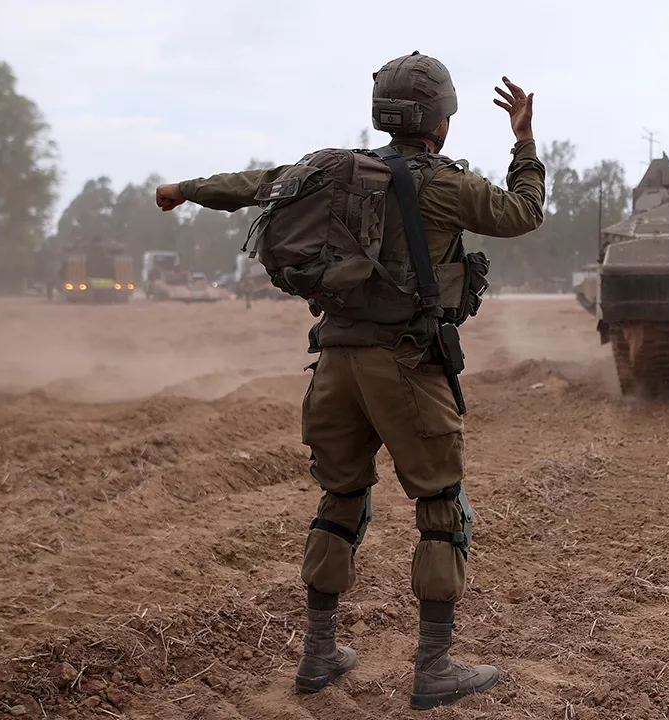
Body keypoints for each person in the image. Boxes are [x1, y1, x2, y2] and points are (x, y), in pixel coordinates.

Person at [154, 51, 545, 709]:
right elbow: (524, 212)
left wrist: (184, 189)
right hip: (405, 366)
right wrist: (525, 140)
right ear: (439, 122)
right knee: (442, 508)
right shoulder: (447, 184)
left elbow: (256, 184)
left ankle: (318, 655)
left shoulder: (331, 172)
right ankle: (434, 668)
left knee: (341, 499)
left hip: (334, 363)